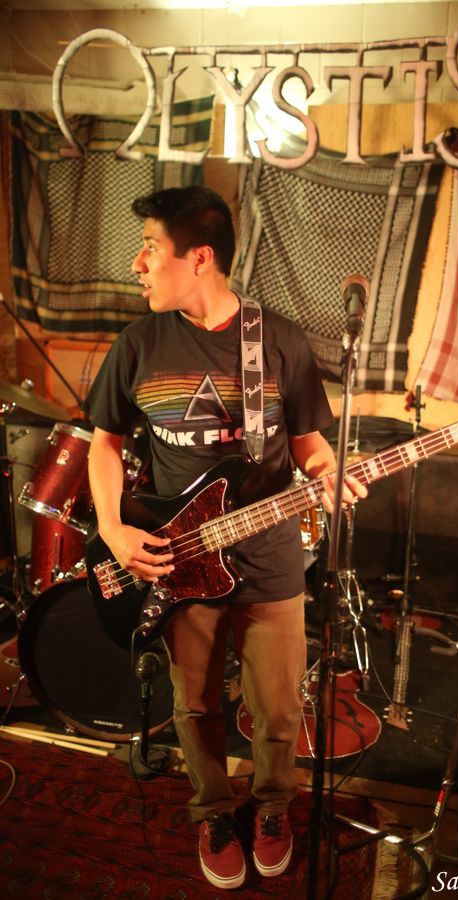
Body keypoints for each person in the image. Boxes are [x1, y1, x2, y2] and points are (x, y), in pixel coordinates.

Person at [85, 184, 367, 891]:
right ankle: (213, 811)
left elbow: (310, 446)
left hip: (269, 554)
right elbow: (104, 443)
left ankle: (272, 807)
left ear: (199, 257)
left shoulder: (279, 340)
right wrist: (114, 529)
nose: (137, 264)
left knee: (278, 707)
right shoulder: (139, 343)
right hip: (178, 560)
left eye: (149, 248)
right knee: (196, 704)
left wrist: (328, 473)